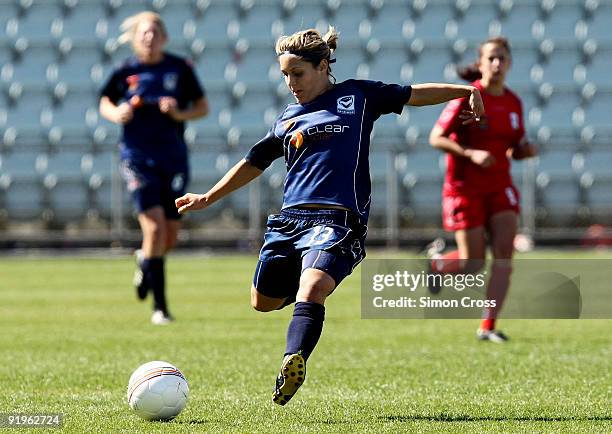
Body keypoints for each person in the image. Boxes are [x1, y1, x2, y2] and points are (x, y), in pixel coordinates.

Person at [175, 26, 484, 405]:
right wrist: (208, 197)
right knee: (262, 301)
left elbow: (413, 93)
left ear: (323, 66)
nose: (291, 83)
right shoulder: (288, 118)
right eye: (285, 75)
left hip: (337, 220)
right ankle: (305, 305)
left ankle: (295, 358)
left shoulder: (358, 95)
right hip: (290, 222)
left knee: (313, 287)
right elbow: (254, 161)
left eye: (298, 73)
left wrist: (465, 91)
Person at [99, 11, 209, 325]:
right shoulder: (125, 71)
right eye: (144, 33)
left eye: (154, 33)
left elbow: (202, 107)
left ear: (164, 37)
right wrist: (117, 112)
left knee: (169, 238)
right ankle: (160, 308)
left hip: (173, 157)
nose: (149, 38)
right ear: (135, 38)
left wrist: (179, 113)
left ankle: (145, 260)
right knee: (155, 229)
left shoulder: (179, 68)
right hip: (137, 158)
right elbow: (104, 101)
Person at [427, 37, 537, 342]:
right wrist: (469, 153)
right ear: (481, 63)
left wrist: (524, 151)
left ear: (510, 62)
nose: (497, 64)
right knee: (472, 264)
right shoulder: (468, 96)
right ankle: (437, 265)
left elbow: (514, 146)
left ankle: (488, 327)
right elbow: (436, 137)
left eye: (502, 58)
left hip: (500, 186)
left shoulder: (513, 102)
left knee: (504, 254)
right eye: (491, 58)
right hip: (465, 188)